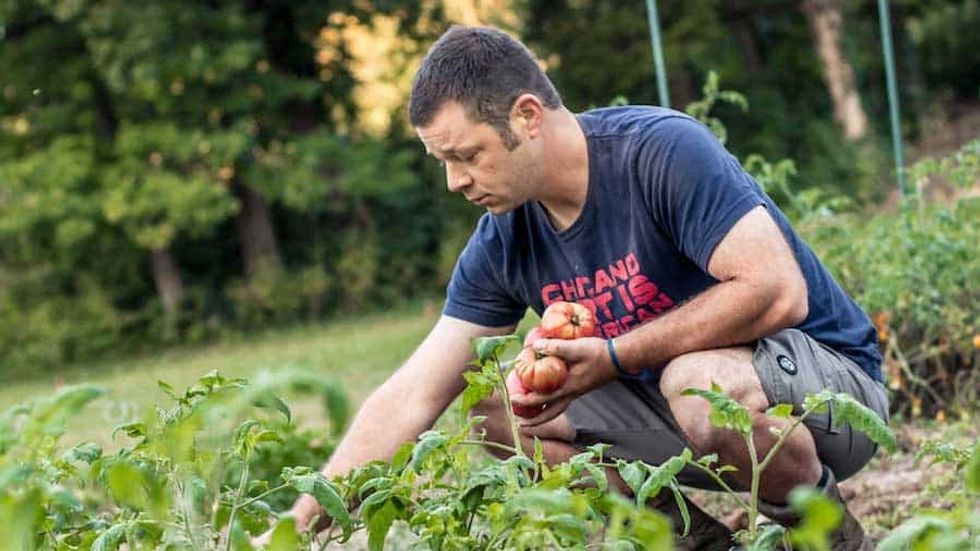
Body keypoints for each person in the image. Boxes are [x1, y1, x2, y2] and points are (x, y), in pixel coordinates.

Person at [277, 25, 889, 550]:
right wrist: (293, 527)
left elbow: (778, 290)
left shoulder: (658, 153)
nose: (454, 182)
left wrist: (617, 357)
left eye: (466, 155)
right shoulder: (504, 236)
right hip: (686, 417)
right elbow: (413, 393)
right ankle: (693, 544)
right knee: (493, 404)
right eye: (443, 161)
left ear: (527, 116)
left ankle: (829, 537)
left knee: (697, 383)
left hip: (830, 398)